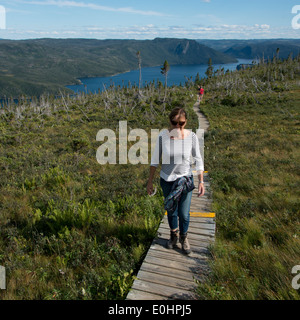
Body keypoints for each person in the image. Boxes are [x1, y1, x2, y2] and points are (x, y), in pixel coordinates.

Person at [147, 107, 205, 255]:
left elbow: (198, 159)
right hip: (167, 180)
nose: (178, 126)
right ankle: (173, 235)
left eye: (181, 123)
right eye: (174, 123)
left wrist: (201, 181)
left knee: (184, 214)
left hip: (185, 179)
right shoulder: (162, 136)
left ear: (186, 122)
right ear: (170, 121)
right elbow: (155, 160)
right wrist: (150, 181)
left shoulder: (191, 137)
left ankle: (184, 237)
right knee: (171, 211)